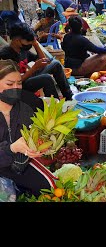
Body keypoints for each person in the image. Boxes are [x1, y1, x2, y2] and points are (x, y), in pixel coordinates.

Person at [0, 59, 54, 197]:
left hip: (19, 164)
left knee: (48, 187)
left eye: (19, 83)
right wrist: (12, 148)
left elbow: (33, 135)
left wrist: (37, 146)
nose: (16, 88)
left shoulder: (26, 107)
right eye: (10, 84)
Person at [0, 23, 73, 100]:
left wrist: (35, 44)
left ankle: (69, 97)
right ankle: (54, 107)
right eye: (28, 42)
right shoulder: (6, 55)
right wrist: (34, 68)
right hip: (17, 87)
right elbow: (14, 81)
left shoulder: (23, 50)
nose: (29, 45)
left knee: (56, 64)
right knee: (46, 79)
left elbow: (43, 61)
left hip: (26, 78)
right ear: (17, 40)